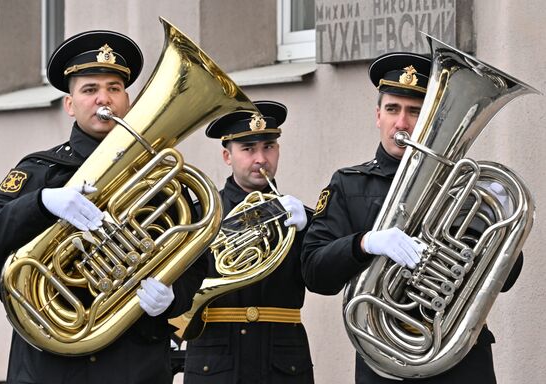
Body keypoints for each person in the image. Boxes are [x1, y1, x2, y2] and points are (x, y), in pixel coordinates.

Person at [0, 30, 207, 384]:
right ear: (70, 104)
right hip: (50, 368)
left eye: (113, 88)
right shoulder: (40, 171)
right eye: (89, 90)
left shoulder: (161, 179)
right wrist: (41, 203)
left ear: (128, 101)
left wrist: (173, 297)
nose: (103, 99)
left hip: (133, 364)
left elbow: (197, 258)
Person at [300, 52, 523, 383]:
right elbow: (315, 272)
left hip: (460, 360)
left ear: (431, 119)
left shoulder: (468, 188)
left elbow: (507, 277)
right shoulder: (348, 184)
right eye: (392, 109)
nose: (401, 123)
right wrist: (365, 243)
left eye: (414, 111)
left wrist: (491, 232)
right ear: (378, 116)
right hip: (383, 362)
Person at [183, 101, 314, 383]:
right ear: (227, 156)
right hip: (216, 362)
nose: (260, 159)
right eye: (248, 149)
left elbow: (322, 279)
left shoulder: (298, 216)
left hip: (283, 363)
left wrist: (309, 229)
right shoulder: (201, 213)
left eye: (268, 146)